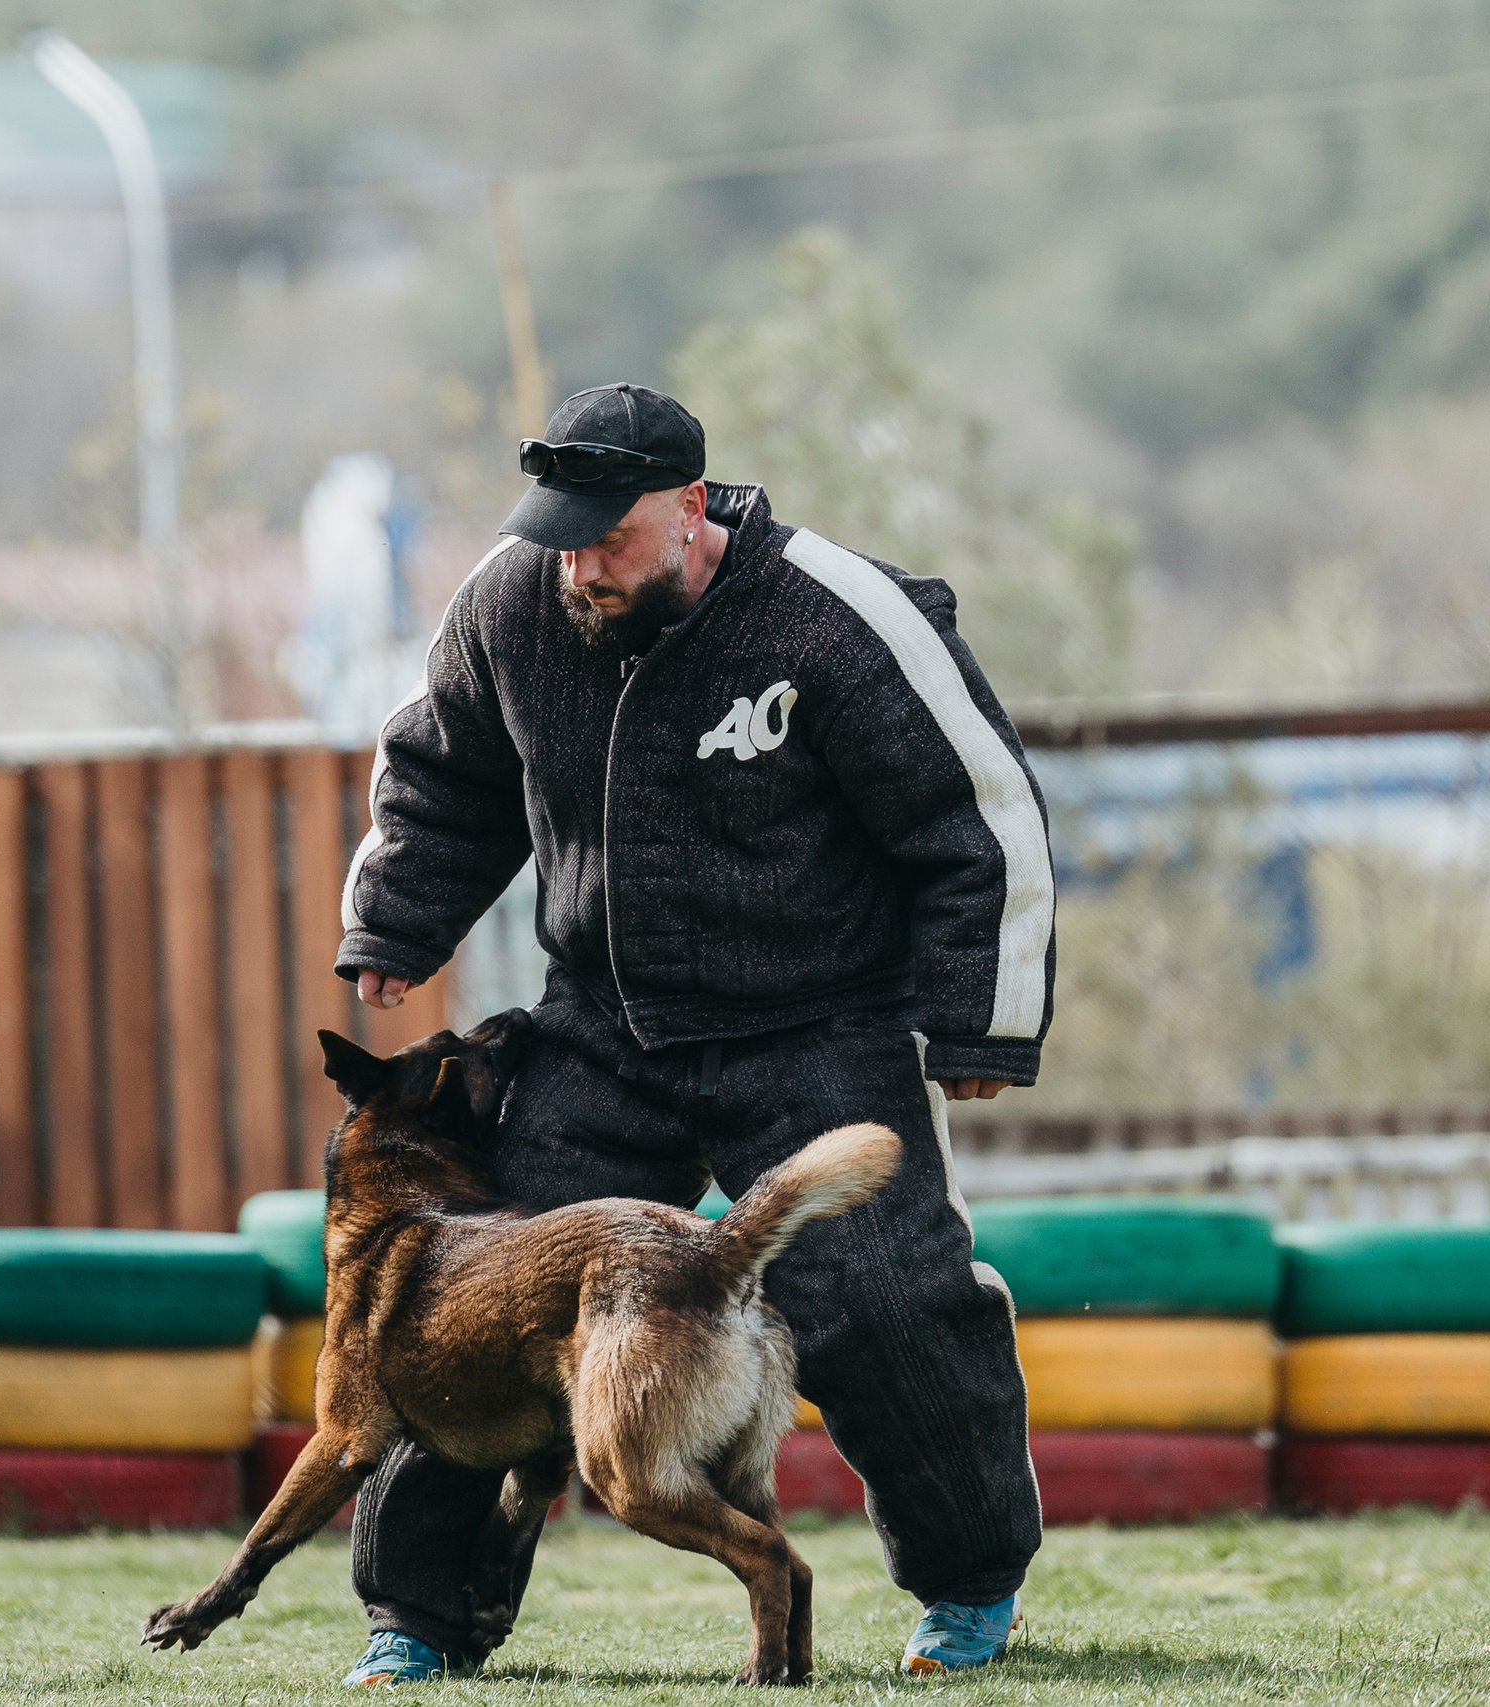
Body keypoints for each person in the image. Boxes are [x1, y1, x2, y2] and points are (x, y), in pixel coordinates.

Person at [333, 382, 1054, 1683]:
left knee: (887, 1303)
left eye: (610, 535)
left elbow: (979, 819)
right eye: (563, 533)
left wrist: (979, 1025)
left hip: (818, 1029)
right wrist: (395, 925)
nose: (581, 562)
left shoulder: (835, 615)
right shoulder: (512, 600)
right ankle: (419, 1621)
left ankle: (971, 1590)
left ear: (690, 506)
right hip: (601, 1028)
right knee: (463, 1303)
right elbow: (445, 775)